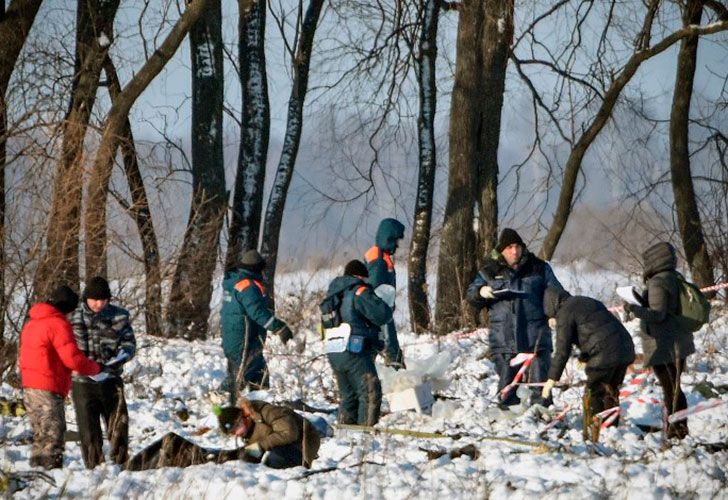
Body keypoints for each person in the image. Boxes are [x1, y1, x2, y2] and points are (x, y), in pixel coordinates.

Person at [466, 228, 563, 407]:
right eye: (510, 247)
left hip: (536, 335)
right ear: (501, 250)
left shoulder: (539, 267)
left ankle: (541, 414)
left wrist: (554, 312)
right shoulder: (488, 271)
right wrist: (481, 292)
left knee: (540, 385)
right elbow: (471, 294)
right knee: (507, 387)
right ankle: (508, 416)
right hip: (503, 336)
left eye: (517, 246)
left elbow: (555, 292)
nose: (514, 251)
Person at [19, 286, 101, 469]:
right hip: (48, 387)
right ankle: (49, 480)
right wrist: (95, 368)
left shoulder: (32, 322)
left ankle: (37, 481)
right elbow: (73, 359)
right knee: (53, 437)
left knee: (41, 437)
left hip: (30, 387)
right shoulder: (57, 323)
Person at [622, 241, 695, 440]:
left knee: (671, 389)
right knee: (674, 387)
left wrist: (633, 308)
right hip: (678, 342)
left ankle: (677, 431)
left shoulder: (657, 281)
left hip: (664, 345)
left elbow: (657, 315)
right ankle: (677, 428)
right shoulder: (674, 277)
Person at [541, 287, 635, 439]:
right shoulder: (586, 301)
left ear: (551, 306)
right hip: (625, 347)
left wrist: (552, 378)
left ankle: (595, 434)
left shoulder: (564, 313)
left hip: (604, 354)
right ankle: (611, 431)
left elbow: (562, 351)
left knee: (594, 393)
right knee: (611, 391)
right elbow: (595, 328)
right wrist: (584, 356)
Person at [127, 399, 321, 471]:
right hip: (276, 447)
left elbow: (289, 433)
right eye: (232, 432)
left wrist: (260, 446)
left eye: (236, 427)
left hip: (299, 449)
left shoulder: (269, 412)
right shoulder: (249, 432)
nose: (236, 433)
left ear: (243, 417)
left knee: (271, 459)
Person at [69, 276, 136, 468]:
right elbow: (66, 349)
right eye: (94, 300)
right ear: (86, 298)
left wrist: (120, 358)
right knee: (88, 430)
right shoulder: (72, 318)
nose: (99, 304)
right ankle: (94, 467)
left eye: (103, 300)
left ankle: (121, 463)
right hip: (82, 383)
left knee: (118, 426)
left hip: (111, 380)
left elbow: (129, 344)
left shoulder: (119, 316)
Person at [324, 260, 393, 425]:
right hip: (354, 349)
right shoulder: (359, 291)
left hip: (334, 350)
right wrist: (387, 305)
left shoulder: (333, 294)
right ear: (359, 276)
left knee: (349, 396)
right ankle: (365, 437)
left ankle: (345, 432)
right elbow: (382, 314)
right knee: (369, 392)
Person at [221, 249, 293, 401]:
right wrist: (280, 328)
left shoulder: (235, 282)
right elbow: (257, 312)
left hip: (240, 339)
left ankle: (260, 404)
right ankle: (219, 401)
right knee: (239, 378)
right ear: (256, 268)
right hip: (243, 341)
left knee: (260, 374)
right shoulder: (248, 287)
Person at [364, 218, 405, 368]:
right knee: (389, 348)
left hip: (379, 312)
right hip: (379, 314)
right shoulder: (378, 260)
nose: (397, 245)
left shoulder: (381, 256)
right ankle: (397, 374)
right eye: (396, 241)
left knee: (372, 351)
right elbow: (375, 290)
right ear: (389, 238)